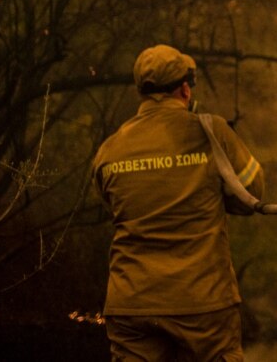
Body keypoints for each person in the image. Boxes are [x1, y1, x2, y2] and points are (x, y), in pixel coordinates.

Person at [92, 44, 265, 361]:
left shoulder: (110, 149)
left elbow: (114, 207)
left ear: (141, 92)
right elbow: (252, 194)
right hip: (203, 304)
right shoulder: (211, 132)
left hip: (131, 304)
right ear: (185, 89)